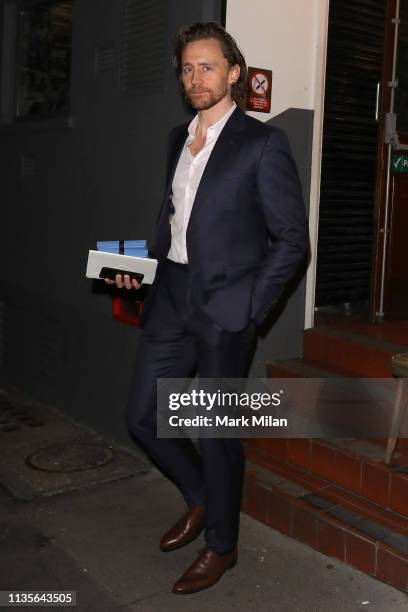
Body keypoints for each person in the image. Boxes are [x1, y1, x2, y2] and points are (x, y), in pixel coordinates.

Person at [105, 22, 308, 595]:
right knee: (143, 415)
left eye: (208, 67)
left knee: (218, 432)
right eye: (187, 69)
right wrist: (146, 273)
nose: (196, 78)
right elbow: (174, 217)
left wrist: (251, 306)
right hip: (171, 295)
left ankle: (222, 544)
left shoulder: (262, 143)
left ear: (234, 73)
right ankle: (200, 496)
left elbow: (292, 238)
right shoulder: (178, 137)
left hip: (227, 307)